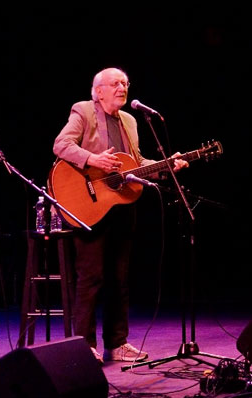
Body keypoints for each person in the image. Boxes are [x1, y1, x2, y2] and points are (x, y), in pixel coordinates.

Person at [52, 67, 188, 364]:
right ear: (98, 90)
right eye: (115, 83)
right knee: (91, 277)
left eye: (125, 83)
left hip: (121, 205)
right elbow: (61, 145)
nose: (122, 88)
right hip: (88, 204)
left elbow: (136, 164)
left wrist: (167, 164)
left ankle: (117, 343)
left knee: (119, 278)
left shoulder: (129, 120)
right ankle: (84, 346)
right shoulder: (84, 111)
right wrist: (92, 158)